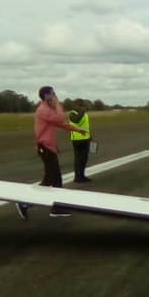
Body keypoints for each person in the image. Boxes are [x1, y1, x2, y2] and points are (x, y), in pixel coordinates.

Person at [16, 86, 87, 219]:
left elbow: (61, 124)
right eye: (53, 94)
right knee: (52, 179)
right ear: (47, 96)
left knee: (53, 178)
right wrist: (57, 103)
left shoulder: (48, 109)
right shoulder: (43, 110)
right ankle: (26, 203)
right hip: (45, 147)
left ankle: (52, 207)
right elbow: (60, 118)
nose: (55, 95)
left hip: (48, 147)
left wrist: (77, 130)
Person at [68, 99, 92, 183]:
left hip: (86, 138)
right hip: (77, 140)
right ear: (75, 105)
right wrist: (82, 110)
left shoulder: (84, 114)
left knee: (84, 158)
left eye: (82, 105)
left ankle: (82, 175)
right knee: (78, 159)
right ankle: (77, 177)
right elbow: (76, 120)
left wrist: (90, 137)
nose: (81, 107)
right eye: (80, 105)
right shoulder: (72, 114)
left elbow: (86, 126)